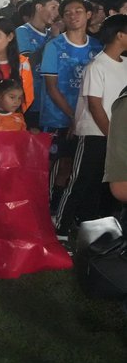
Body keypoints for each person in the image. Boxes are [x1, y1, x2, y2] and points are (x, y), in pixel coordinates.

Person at [53, 14, 127, 238]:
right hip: (95, 134)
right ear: (120, 35)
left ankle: (93, 229)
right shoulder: (97, 66)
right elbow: (95, 105)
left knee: (103, 185)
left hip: (117, 137)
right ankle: (61, 228)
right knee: (81, 181)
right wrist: (112, 136)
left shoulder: (125, 64)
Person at [40, 0, 103, 217]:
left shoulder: (97, 47)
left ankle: (60, 210)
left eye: (78, 11)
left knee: (72, 167)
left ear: (88, 15)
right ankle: (44, 209)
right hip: (57, 118)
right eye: (67, 12)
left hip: (87, 119)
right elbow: (52, 87)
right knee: (52, 166)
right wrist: (72, 116)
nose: (73, 15)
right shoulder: (54, 46)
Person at [16, 0, 61, 129]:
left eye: (58, 9)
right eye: (53, 7)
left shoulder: (52, 33)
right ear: (39, 7)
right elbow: (27, 61)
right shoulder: (22, 31)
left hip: (49, 99)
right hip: (29, 98)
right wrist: (53, 39)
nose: (56, 13)